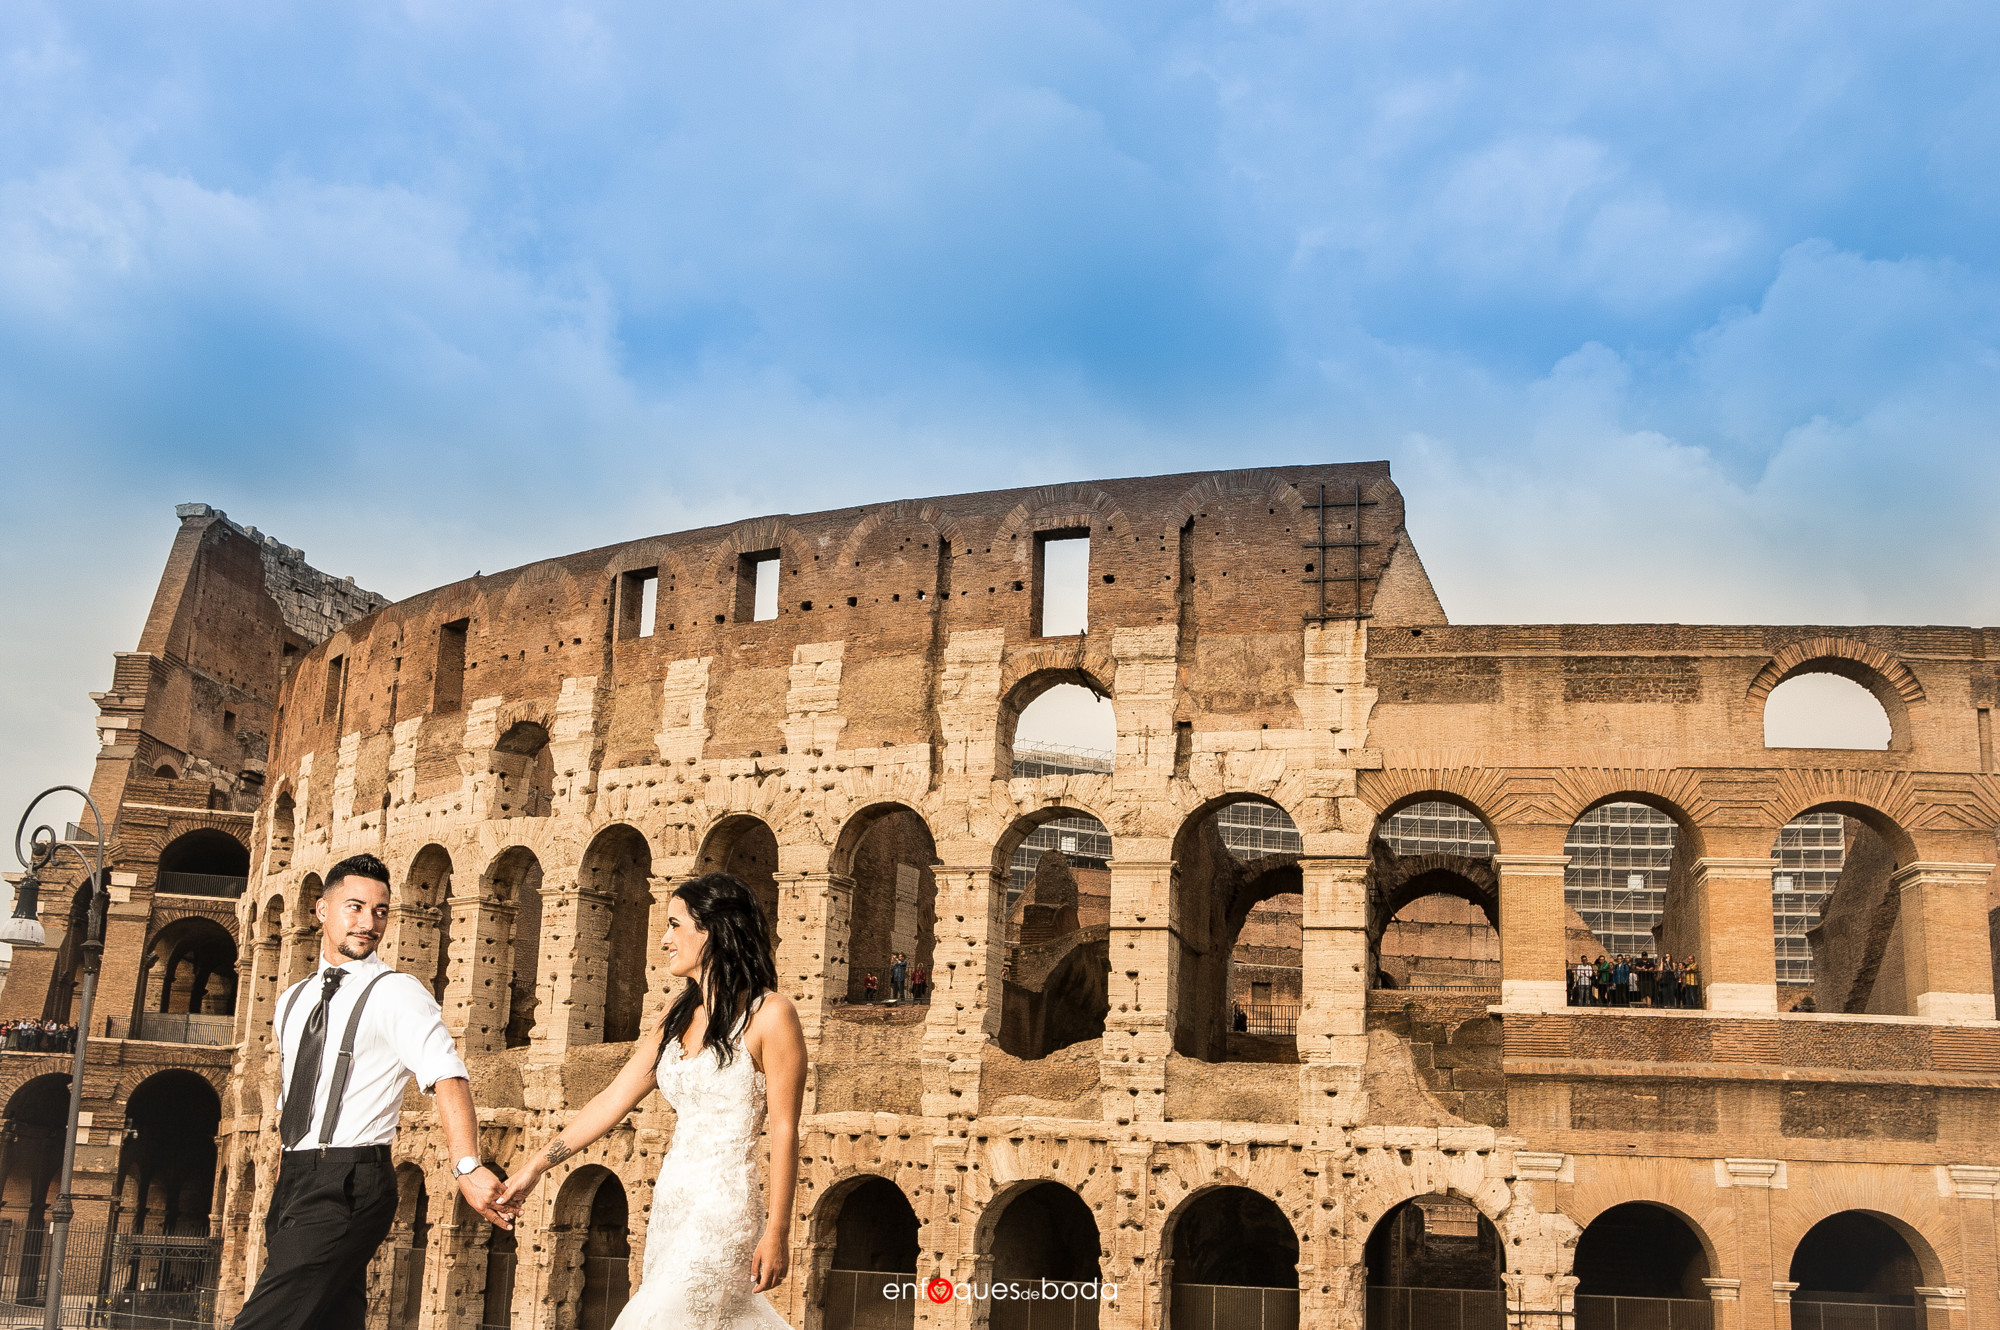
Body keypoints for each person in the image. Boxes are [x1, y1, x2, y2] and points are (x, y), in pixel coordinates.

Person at [495, 872, 806, 1328]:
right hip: (672, 1202)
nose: (664, 939)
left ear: (713, 929)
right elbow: (613, 1098)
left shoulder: (771, 1015)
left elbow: (785, 1130)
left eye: (675, 924)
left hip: (724, 1208)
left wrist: (778, 1231)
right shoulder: (675, 1015)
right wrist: (534, 1166)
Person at [232, 854, 509, 1330]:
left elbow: (447, 1074)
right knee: (329, 1319)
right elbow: (295, 1095)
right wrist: (287, 1167)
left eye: (380, 911)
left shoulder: (397, 992)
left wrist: (467, 1164)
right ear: (321, 910)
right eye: (355, 908)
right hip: (297, 1176)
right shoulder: (292, 1000)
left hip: (349, 1180)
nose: (369, 923)